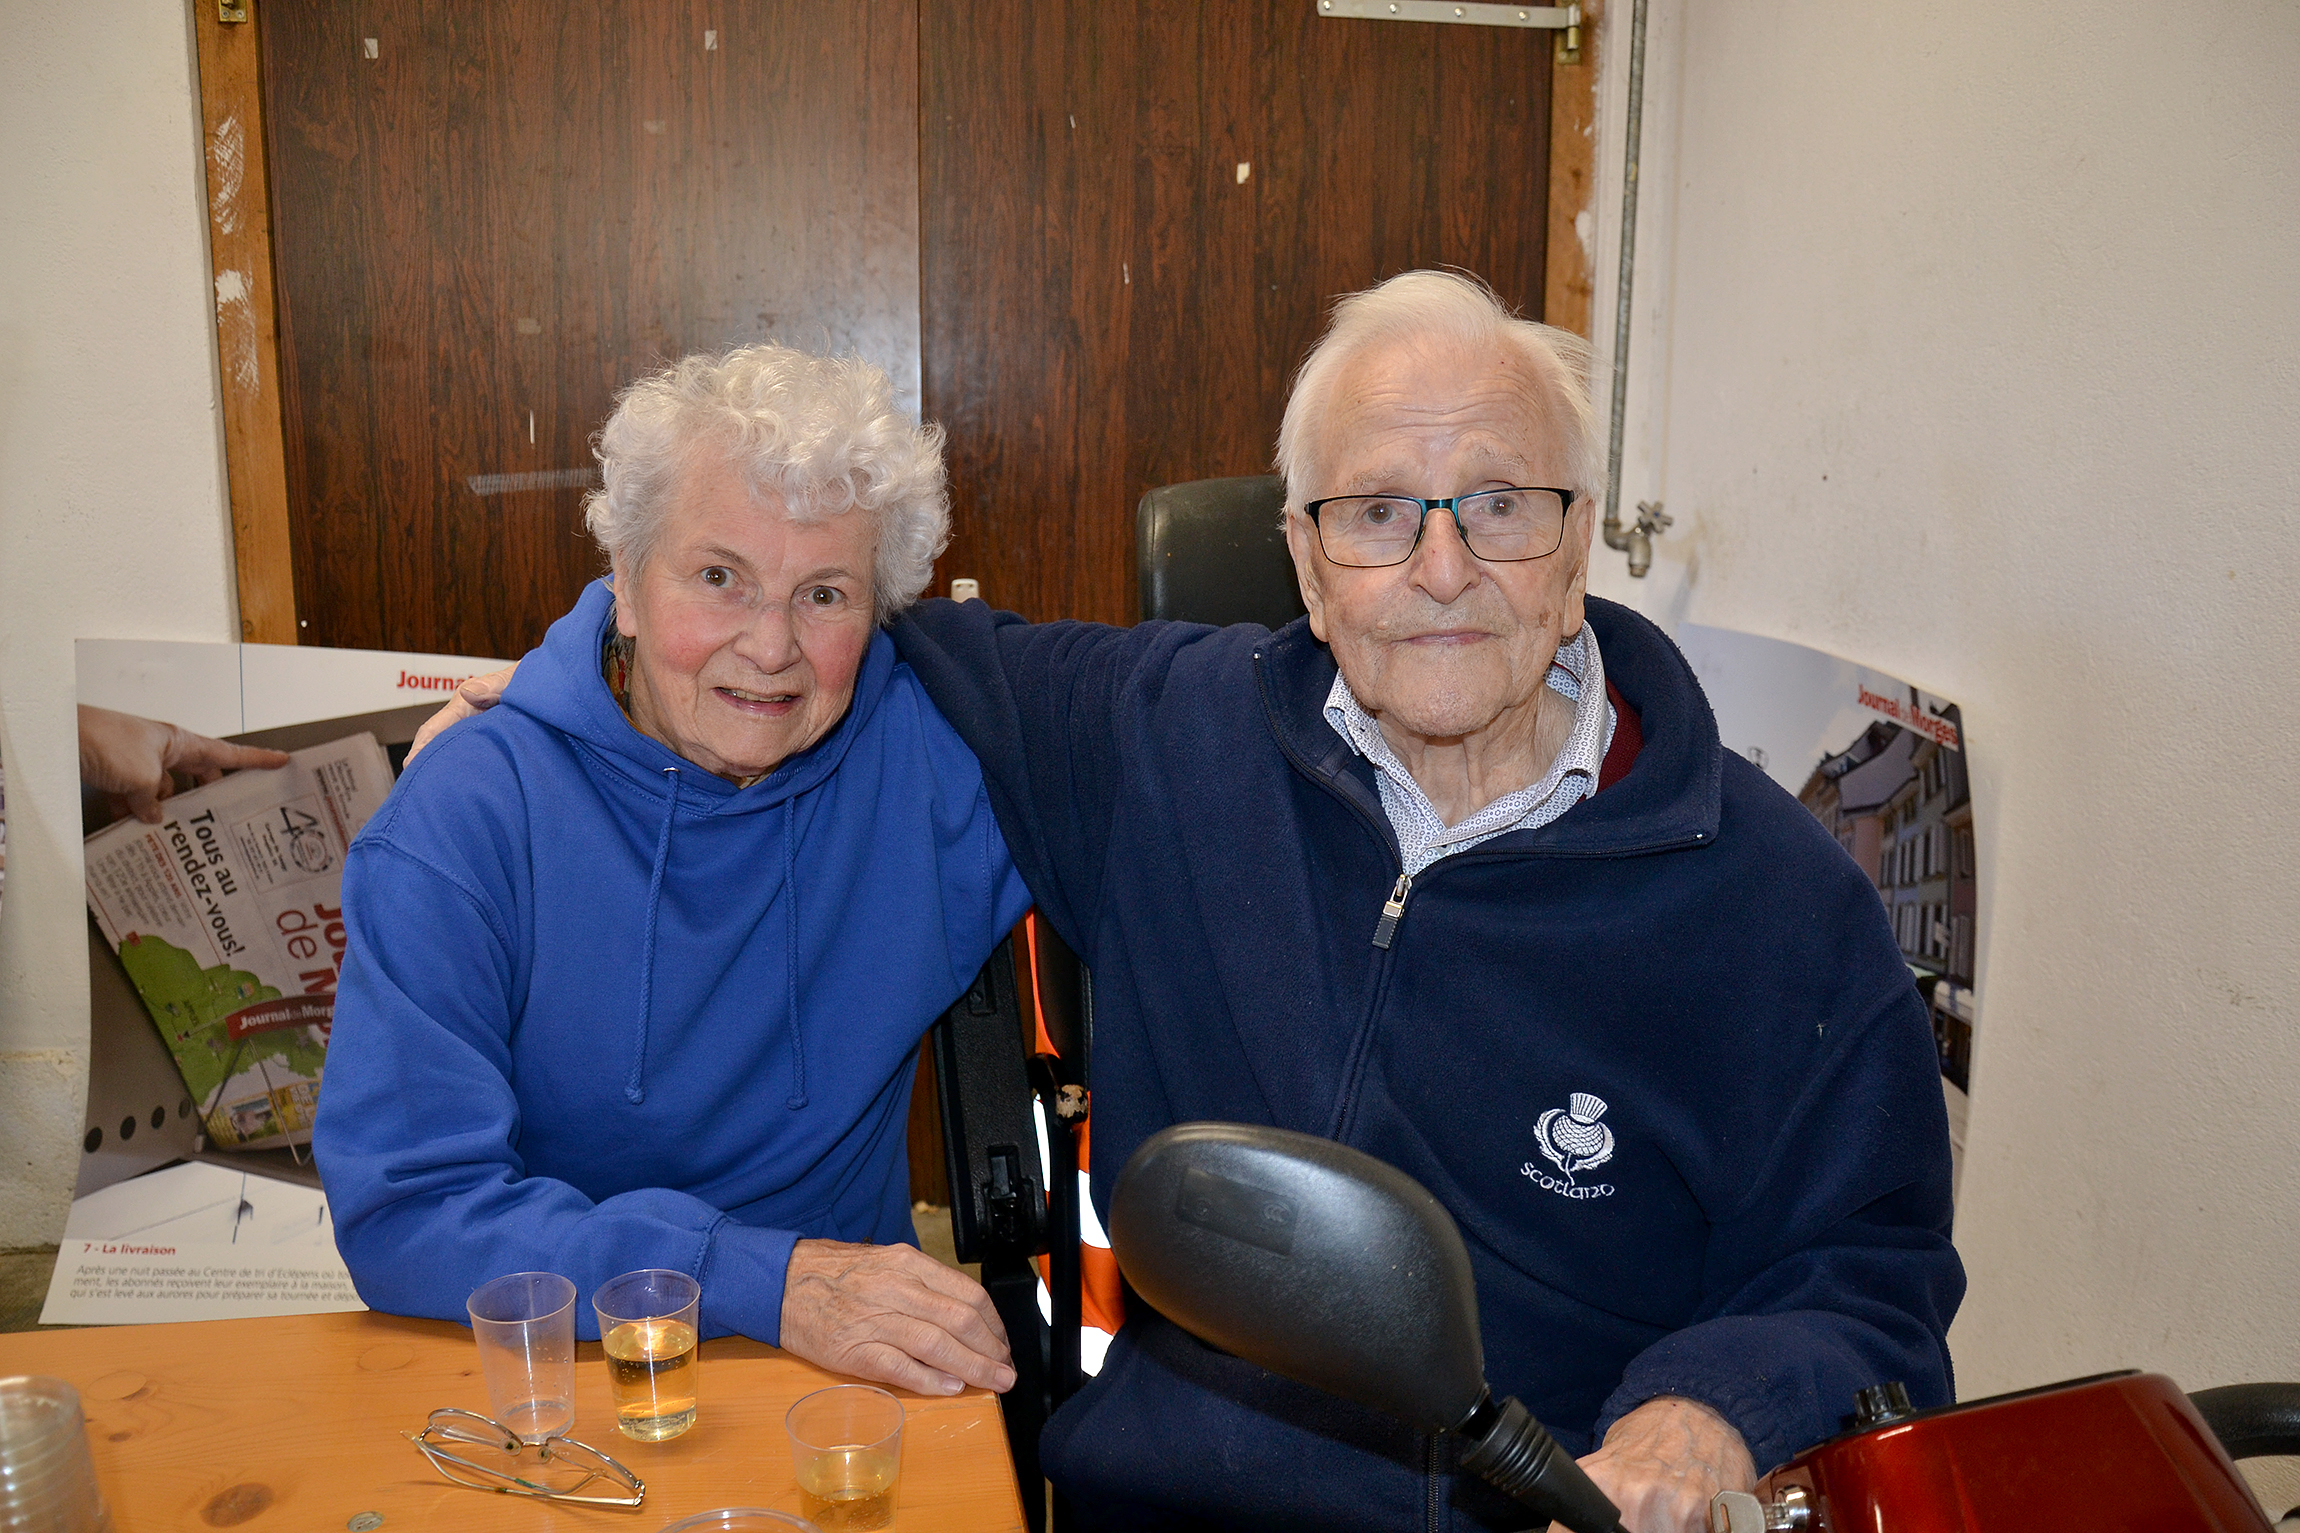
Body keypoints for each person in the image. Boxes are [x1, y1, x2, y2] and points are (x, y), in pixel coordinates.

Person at [418, 274, 1962, 1532]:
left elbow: (1867, 1273)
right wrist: (576, 713)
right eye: (1374, 513)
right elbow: (810, 624)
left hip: (1540, 1506)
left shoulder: (1773, 899)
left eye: (1497, 504)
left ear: (1574, 542)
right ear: (1299, 555)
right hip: (1169, 1503)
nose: (1438, 569)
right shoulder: (1167, 736)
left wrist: (1703, 1419)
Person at [315, 344, 1029, 1399]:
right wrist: (753, 1276)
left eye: (824, 593)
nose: (770, 645)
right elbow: (408, 1212)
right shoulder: (467, 819)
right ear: (627, 585)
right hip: (554, 1367)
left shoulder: (940, 769)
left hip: (852, 1381)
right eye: (717, 578)